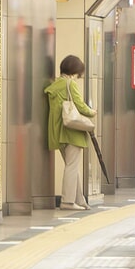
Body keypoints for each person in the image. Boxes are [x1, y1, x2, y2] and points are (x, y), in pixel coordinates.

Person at [45, 55, 95, 211]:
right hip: (72, 131)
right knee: (72, 167)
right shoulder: (70, 84)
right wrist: (92, 112)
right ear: (75, 70)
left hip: (59, 131)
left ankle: (79, 200)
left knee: (71, 166)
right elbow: (80, 106)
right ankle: (67, 202)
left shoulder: (55, 85)